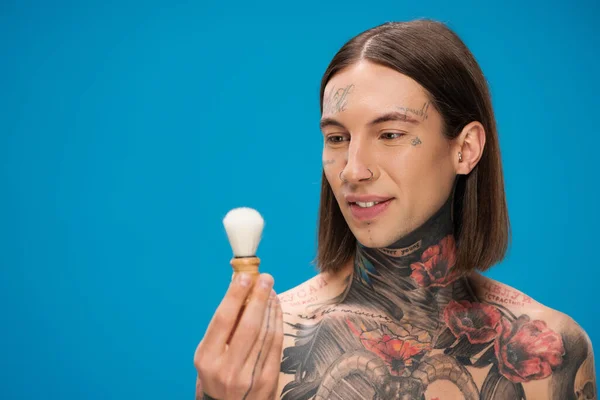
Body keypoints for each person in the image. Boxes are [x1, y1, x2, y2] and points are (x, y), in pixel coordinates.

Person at [193, 19, 597, 400]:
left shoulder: (550, 350)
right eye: (336, 138)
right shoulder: (264, 348)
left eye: (390, 134)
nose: (353, 170)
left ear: (465, 148)